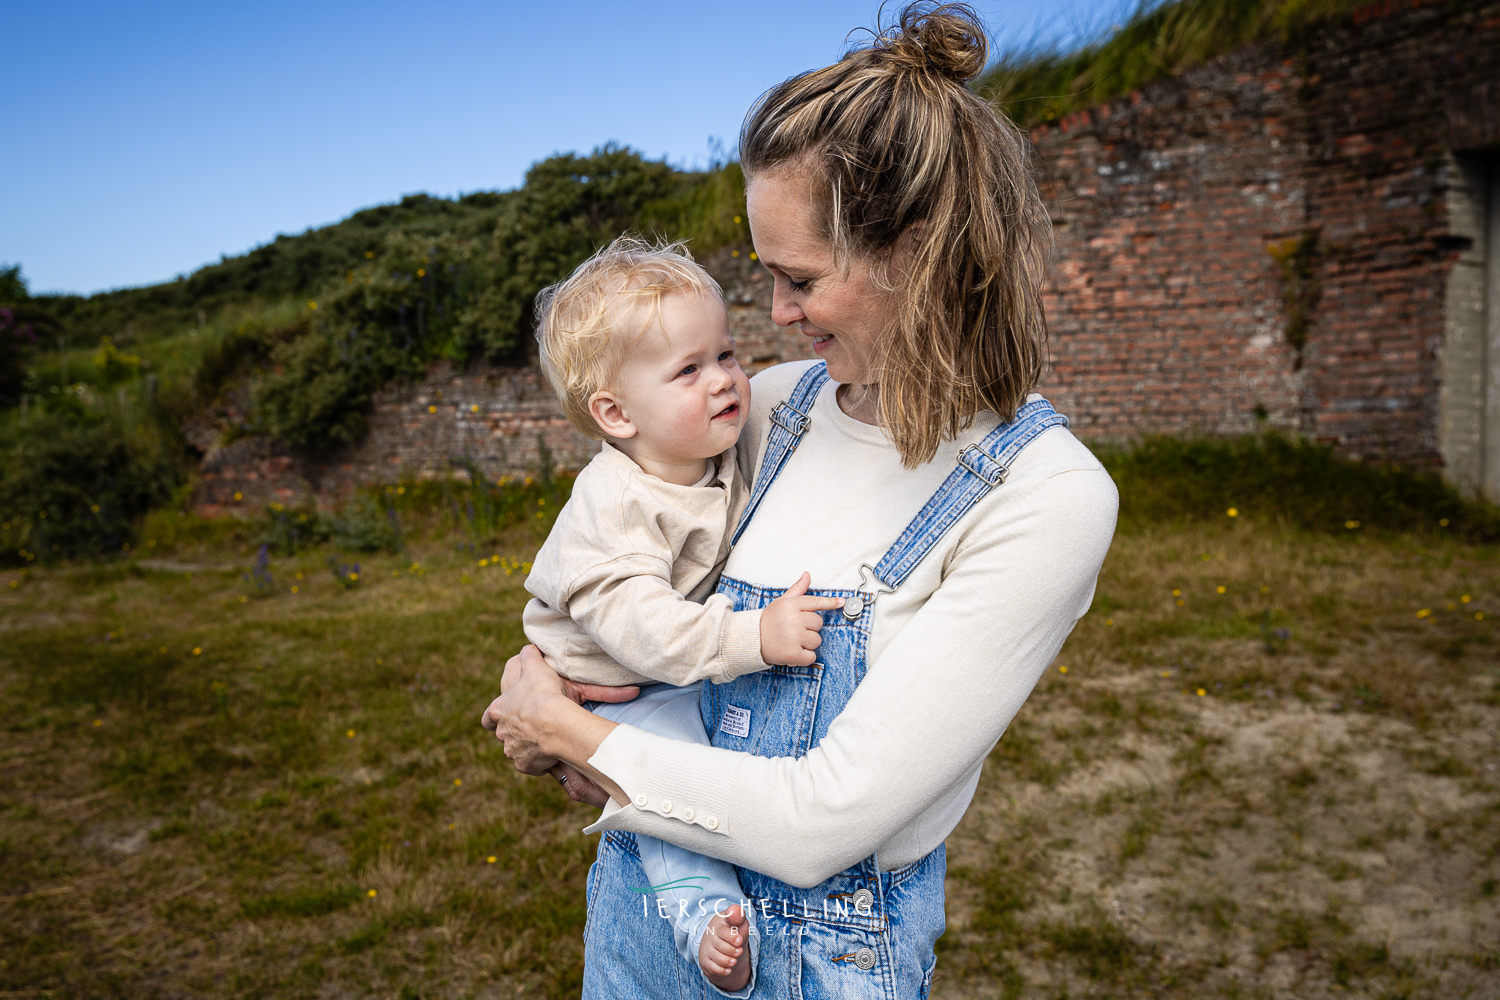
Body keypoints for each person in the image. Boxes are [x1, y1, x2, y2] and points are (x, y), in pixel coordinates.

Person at [483, 3, 1118, 996]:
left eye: (799, 280)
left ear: (915, 253)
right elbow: (612, 555)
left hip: (823, 958)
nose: (774, 316)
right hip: (647, 917)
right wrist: (555, 680)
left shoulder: (1046, 495)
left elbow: (821, 821)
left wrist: (571, 736)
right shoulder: (773, 408)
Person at [522, 235, 843, 995]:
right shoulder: (615, 503)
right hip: (616, 685)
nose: (728, 381)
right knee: (665, 791)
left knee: (717, 771)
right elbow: (648, 631)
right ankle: (700, 917)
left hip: (659, 668)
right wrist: (752, 637)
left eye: (727, 355)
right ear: (616, 414)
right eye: (689, 370)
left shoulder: (712, 449)